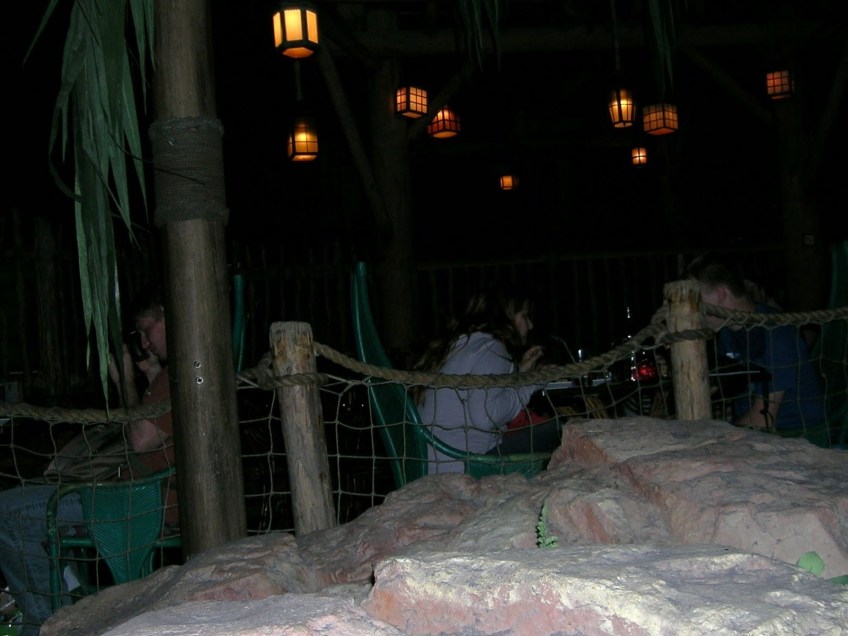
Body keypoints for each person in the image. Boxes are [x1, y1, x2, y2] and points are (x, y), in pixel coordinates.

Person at [0, 284, 175, 635]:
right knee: (25, 498)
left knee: (7, 513)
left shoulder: (181, 372)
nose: (144, 343)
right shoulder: (166, 376)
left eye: (147, 330)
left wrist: (126, 380)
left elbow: (140, 439)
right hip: (127, 489)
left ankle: (47, 624)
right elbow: (142, 430)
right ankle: (69, 604)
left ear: (168, 318)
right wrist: (147, 378)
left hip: (139, 500)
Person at [413, 282, 560, 474]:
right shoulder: (492, 348)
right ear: (506, 316)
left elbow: (481, 391)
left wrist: (520, 373)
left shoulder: (462, 344)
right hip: (465, 465)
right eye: (524, 316)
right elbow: (486, 417)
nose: (530, 325)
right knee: (560, 430)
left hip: (434, 463)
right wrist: (532, 382)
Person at [686, 251, 826, 439]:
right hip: (762, 431)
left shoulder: (776, 332)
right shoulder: (726, 331)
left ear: (720, 294)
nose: (692, 310)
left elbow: (764, 419)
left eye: (696, 299)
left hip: (798, 435)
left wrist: (714, 438)